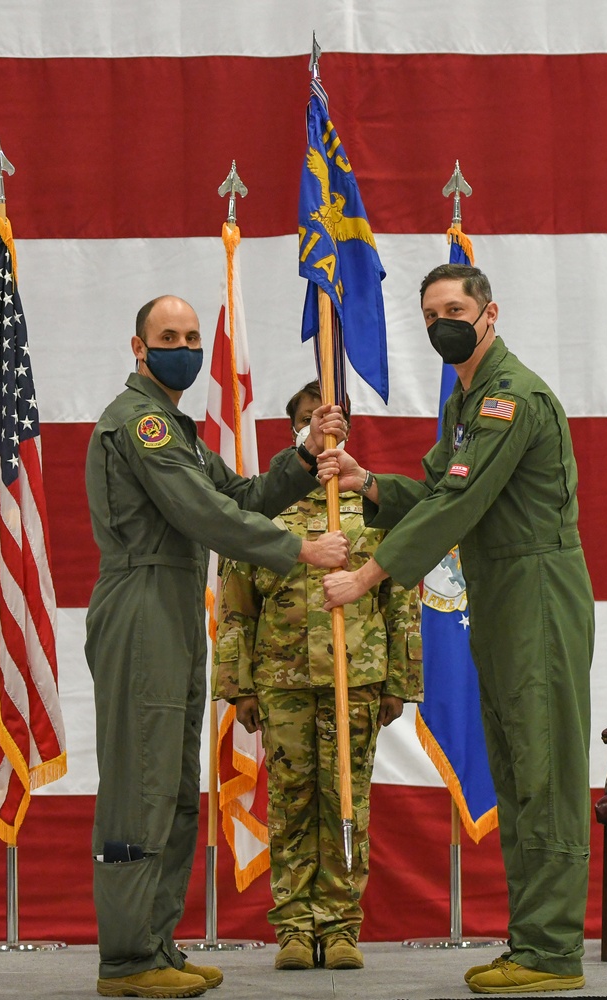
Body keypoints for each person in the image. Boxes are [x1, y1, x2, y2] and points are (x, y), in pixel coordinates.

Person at [321, 264, 594, 995]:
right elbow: (436, 491)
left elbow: (454, 510)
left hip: (536, 586)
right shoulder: (466, 403)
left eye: (455, 308)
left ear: (489, 313)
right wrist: (367, 483)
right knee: (512, 765)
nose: (443, 321)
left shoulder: (512, 398)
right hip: (499, 590)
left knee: (545, 768)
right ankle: (532, 939)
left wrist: (369, 576)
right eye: (431, 311)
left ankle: (553, 950)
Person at [84, 296, 350, 999]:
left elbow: (242, 493)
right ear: (138, 348)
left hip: (171, 604)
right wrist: (303, 550)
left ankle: (155, 942)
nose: (185, 347)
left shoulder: (179, 429)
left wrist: (304, 453)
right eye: (169, 336)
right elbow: (205, 514)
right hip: (141, 601)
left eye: (193, 336)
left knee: (171, 785)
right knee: (141, 781)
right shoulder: (141, 423)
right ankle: (126, 960)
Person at [212, 380, 423, 972]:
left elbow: (400, 594)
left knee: (347, 800)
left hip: (354, 676)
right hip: (282, 681)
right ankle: (295, 930)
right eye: (310, 421)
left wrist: (399, 682)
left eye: (332, 421)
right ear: (294, 432)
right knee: (291, 801)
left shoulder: (369, 504)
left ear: (348, 432)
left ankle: (341, 924)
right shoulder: (266, 507)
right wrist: (240, 685)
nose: (322, 429)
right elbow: (235, 603)